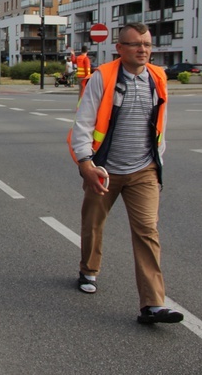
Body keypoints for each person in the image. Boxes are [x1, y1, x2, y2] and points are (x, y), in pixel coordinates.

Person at [68, 22, 183, 325]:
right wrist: (85, 163)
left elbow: (161, 124)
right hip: (104, 169)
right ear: (120, 48)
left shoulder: (157, 77)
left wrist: (159, 160)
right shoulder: (103, 77)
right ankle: (88, 270)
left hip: (144, 169)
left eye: (146, 44)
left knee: (147, 231)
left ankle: (152, 304)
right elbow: (83, 123)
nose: (143, 50)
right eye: (135, 44)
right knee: (93, 223)